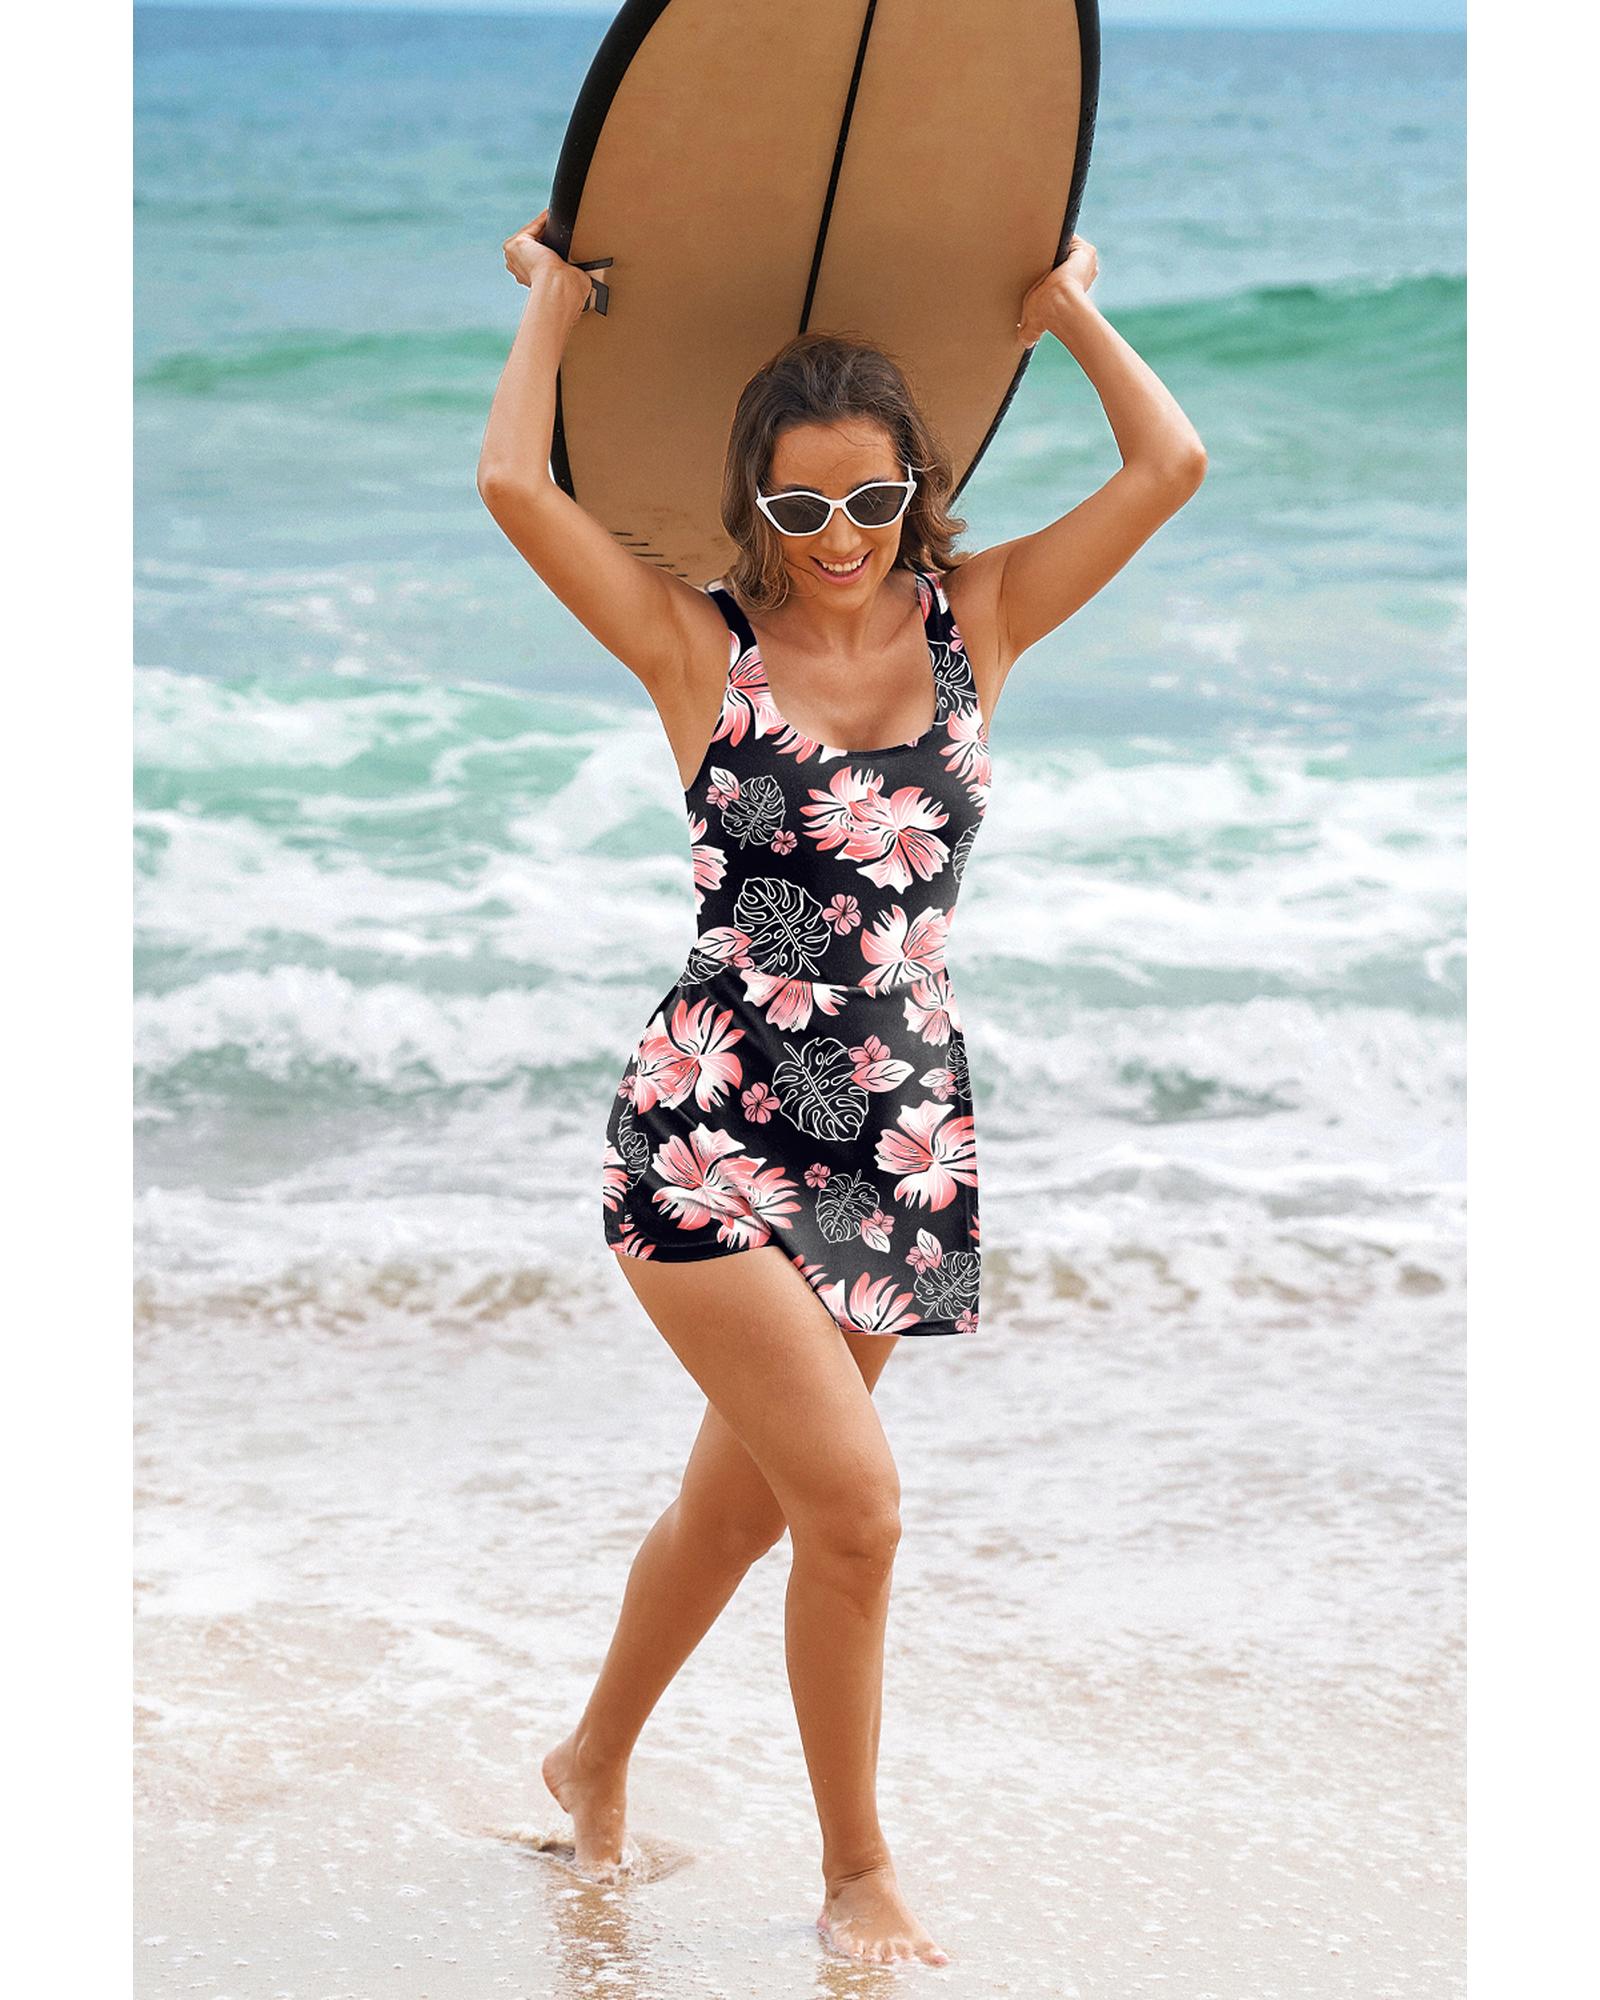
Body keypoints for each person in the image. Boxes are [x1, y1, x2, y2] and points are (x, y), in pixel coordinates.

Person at [476, 207, 1205, 1967]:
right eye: (799, 509)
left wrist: (1065, 311)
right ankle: (858, 1871)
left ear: (915, 489)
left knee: (741, 1512)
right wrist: (555, 306)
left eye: (871, 499)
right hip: (706, 1137)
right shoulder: (697, 650)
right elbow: (511, 482)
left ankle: (589, 1759)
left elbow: (1169, 464)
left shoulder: (983, 621)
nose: (839, 538)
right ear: (755, 507)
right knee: (857, 1514)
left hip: (895, 1139)